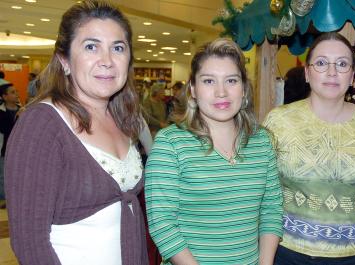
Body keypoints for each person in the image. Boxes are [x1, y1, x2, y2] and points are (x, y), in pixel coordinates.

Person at [4, 1, 148, 264]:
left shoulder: (120, 118)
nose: (107, 61)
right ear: (64, 60)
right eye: (91, 46)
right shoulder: (42, 124)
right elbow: (29, 241)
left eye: (118, 48)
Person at [145, 38, 283, 265]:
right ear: (193, 90)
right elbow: (163, 224)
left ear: (244, 89)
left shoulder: (262, 142)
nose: (221, 92)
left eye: (231, 80)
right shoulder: (171, 144)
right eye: (209, 81)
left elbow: (271, 211)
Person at [264, 32, 355, 265]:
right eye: (322, 63)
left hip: (354, 257)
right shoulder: (279, 121)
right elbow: (263, 193)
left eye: (342, 64)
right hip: (287, 253)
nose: (332, 72)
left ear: (353, 77)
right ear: (307, 72)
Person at [0, 83, 20, 209]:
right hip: (5, 149)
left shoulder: (23, 109)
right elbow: (6, 129)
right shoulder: (1, 112)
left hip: (20, 150)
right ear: (4, 96)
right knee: (3, 176)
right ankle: (5, 200)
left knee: (18, 175)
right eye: (12, 92)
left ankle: (16, 199)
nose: (16, 94)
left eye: (16, 91)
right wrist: (18, 119)